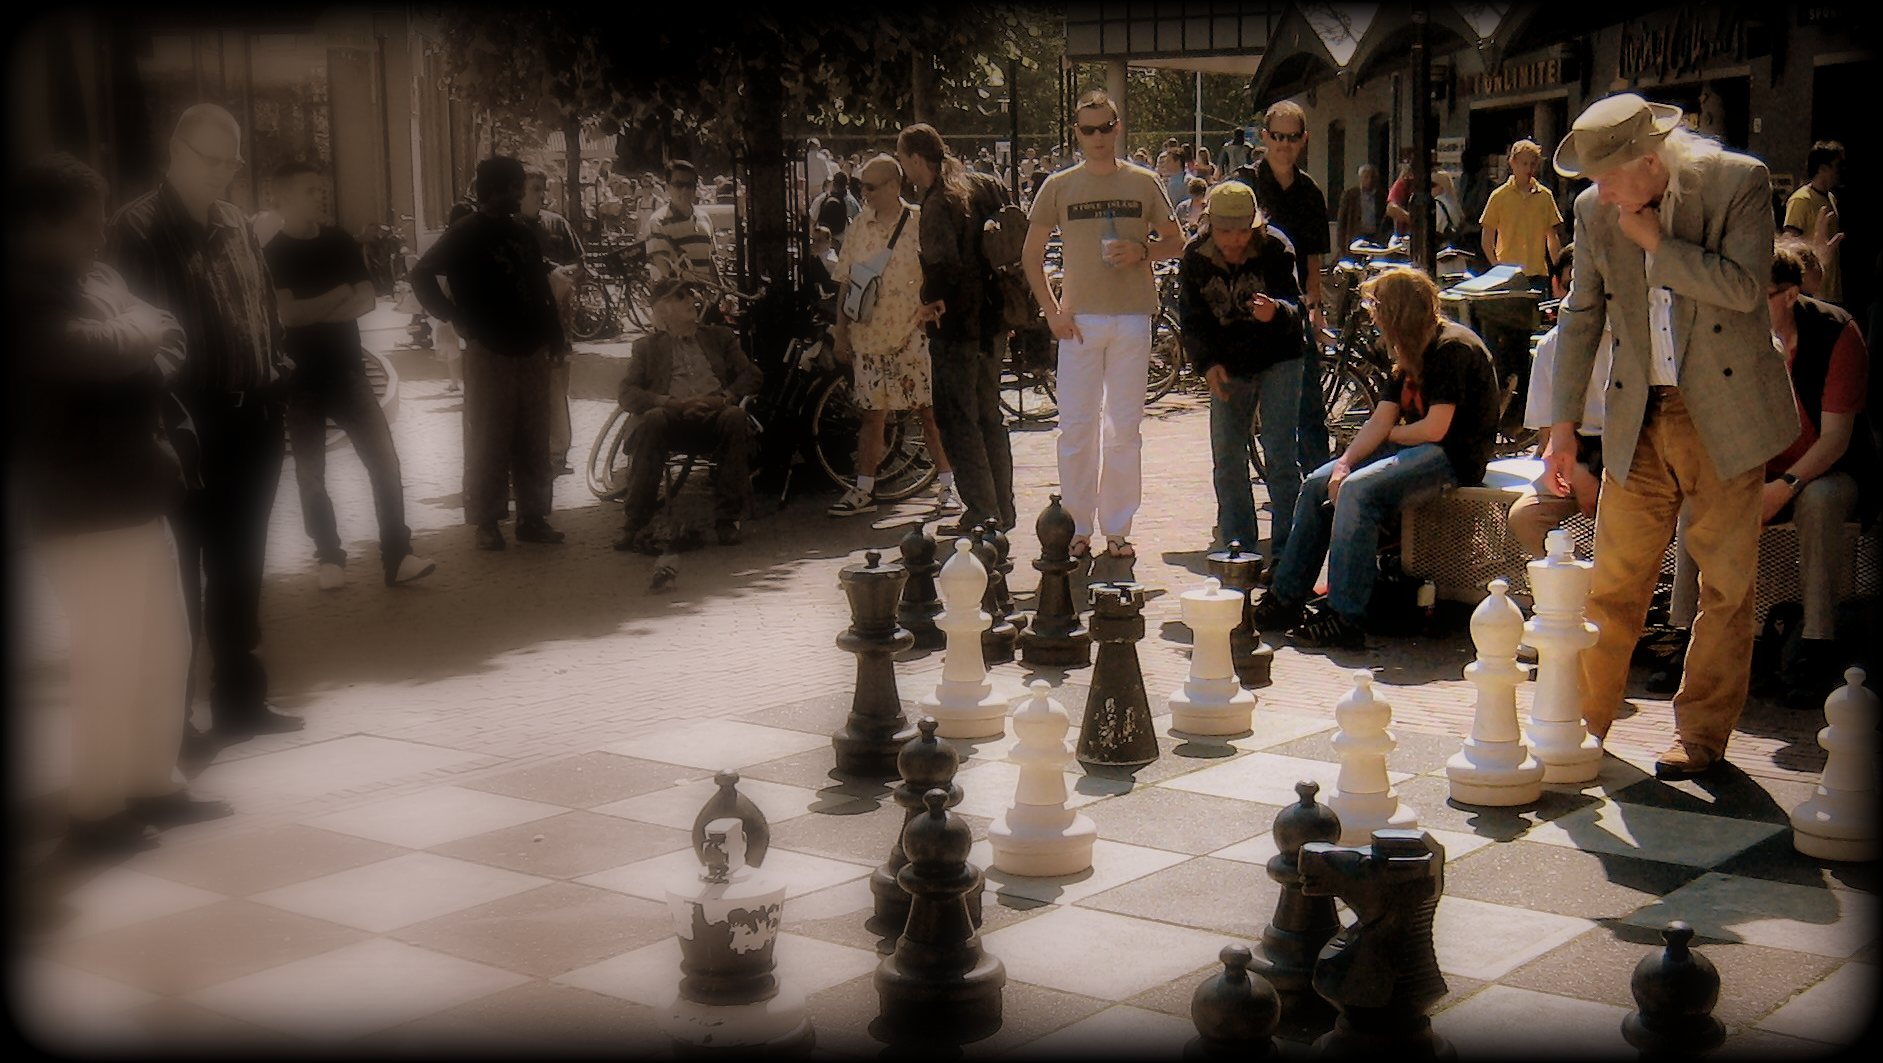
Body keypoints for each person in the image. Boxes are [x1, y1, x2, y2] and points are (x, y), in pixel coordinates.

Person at [1545, 93, 1797, 779]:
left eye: (1607, 175)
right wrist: (1561, 424)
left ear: (1649, 161)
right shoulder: (1595, 212)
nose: (1597, 192)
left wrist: (1658, 245)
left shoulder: (1737, 183)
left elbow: (1745, 288)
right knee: (1612, 581)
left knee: (1724, 587)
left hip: (1723, 412)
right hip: (1640, 415)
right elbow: (1579, 315)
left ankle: (1701, 735)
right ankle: (1578, 724)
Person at [12, 154, 234, 853]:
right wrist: (139, 340)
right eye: (83, 223)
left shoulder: (94, 276)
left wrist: (137, 343)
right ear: (37, 226)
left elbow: (162, 330)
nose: (99, 234)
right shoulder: (19, 292)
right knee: (109, 658)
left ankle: (151, 780)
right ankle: (94, 809)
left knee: (163, 647)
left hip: (138, 490)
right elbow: (92, 348)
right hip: (82, 505)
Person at [109, 103, 303, 741]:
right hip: (187, 426)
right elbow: (136, 338)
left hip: (253, 419)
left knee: (241, 563)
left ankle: (240, 700)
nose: (225, 172)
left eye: (233, 161)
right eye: (211, 159)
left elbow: (261, 310)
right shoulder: (135, 230)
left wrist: (277, 366)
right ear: (176, 152)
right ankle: (173, 716)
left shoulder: (236, 225)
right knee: (180, 574)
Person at [1253, 267, 1500, 649]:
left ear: (1396, 312)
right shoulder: (1408, 349)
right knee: (1319, 482)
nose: (1373, 318)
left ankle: (1344, 614)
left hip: (1453, 455)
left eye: (1377, 309)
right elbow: (1382, 417)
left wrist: (1386, 441)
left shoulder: (1451, 348)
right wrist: (1344, 462)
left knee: (1358, 492)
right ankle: (1286, 597)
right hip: (1417, 445)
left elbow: (1436, 427)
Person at [1023, 90, 1185, 559]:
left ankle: (1117, 528)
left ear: (1117, 127)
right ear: (1077, 133)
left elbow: (1177, 240)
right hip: (1079, 323)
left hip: (1133, 316)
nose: (1097, 137)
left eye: (1104, 127)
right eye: (1087, 129)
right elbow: (1030, 255)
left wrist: (1143, 251)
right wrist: (1051, 311)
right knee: (1075, 428)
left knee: (1123, 428)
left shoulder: (1144, 181)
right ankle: (1075, 527)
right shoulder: (1059, 185)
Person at [265, 162, 435, 591]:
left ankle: (398, 555)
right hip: (300, 378)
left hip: (348, 371)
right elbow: (286, 315)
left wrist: (317, 309)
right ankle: (328, 555)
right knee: (310, 473)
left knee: (384, 462)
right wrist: (337, 295)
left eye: (321, 189)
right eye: (309, 190)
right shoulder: (273, 253)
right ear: (281, 198)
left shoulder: (340, 241)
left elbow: (363, 302)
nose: (319, 196)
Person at [410, 154, 566, 551]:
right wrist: (452, 317)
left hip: (531, 348)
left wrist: (555, 337)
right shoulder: (465, 232)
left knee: (533, 436)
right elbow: (421, 274)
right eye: (509, 186)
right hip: (489, 349)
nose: (515, 194)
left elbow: (540, 289)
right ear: (489, 190)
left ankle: (533, 517)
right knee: (488, 438)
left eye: (518, 185)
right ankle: (487, 522)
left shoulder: (524, 233)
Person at [1759, 242, 1872, 700]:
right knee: (1701, 498)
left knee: (1820, 500)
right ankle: (1687, 630)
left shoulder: (1836, 332)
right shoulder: (1734, 331)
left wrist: (1783, 488)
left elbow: (1835, 440)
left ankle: (1816, 642)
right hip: (1759, 466)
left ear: (1790, 294)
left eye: (1760, 294)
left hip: (1829, 470)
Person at [898, 123, 1014, 532]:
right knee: (988, 416)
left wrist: (928, 302)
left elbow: (943, 264)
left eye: (904, 160)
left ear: (916, 159)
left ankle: (983, 512)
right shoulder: (979, 185)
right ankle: (1002, 507)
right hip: (992, 320)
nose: (904, 171)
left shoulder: (936, 202)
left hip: (957, 327)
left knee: (958, 419)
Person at [826, 155, 957, 517]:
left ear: (893, 185)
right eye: (861, 186)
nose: (863, 193)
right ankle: (864, 488)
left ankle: (948, 485)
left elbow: (939, 272)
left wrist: (931, 308)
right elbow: (846, 283)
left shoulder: (918, 221)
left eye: (870, 186)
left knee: (928, 412)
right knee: (872, 414)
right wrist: (841, 331)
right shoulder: (858, 227)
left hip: (912, 334)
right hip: (868, 336)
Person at [1180, 182, 1304, 558]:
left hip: (1279, 356)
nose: (1234, 240)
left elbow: (1296, 309)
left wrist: (1276, 311)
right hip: (1228, 361)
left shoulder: (1275, 248)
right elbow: (1193, 318)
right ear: (1209, 226)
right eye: (1225, 231)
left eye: (1242, 231)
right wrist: (1207, 363)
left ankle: (1288, 546)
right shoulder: (1195, 256)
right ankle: (1238, 543)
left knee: (1280, 454)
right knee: (1228, 455)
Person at [614, 279, 761, 547]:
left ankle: (727, 521)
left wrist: (722, 398)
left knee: (735, 417)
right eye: (680, 297)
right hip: (671, 421)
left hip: (714, 416)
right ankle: (635, 522)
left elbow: (752, 375)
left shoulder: (719, 337)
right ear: (663, 310)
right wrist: (670, 403)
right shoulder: (647, 347)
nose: (691, 300)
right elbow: (627, 394)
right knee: (653, 419)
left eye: (689, 295)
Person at [1506, 244, 1610, 557]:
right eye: (1571, 286)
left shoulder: (1627, 338)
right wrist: (1579, 477)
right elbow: (1547, 439)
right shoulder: (1551, 347)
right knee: (1525, 516)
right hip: (1575, 452)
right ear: (1556, 286)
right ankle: (1580, 585)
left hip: (1630, 451)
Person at [1251, 100, 1336, 482]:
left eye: (1292, 137)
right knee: (1246, 409)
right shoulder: (1245, 185)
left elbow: (1314, 257)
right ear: (1264, 137)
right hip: (1248, 307)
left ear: (1304, 140)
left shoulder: (1310, 192)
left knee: (1309, 406)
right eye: (1277, 136)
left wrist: (1314, 308)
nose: (1284, 144)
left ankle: (1318, 490)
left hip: (1294, 308)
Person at [520, 167, 584, 475]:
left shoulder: (557, 224)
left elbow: (578, 262)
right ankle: (529, 452)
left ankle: (557, 452)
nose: (541, 195)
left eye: (543, 189)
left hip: (559, 318)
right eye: (535, 189)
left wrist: (565, 274)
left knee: (559, 385)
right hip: (525, 322)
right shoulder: (511, 228)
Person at [1479, 139, 1564, 287]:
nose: (1528, 169)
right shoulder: (1499, 196)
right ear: (1513, 163)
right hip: (1507, 273)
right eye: (1524, 163)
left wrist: (1558, 270)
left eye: (1532, 164)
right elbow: (1487, 236)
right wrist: (1495, 265)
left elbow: (1552, 237)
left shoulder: (1545, 196)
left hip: (1537, 273)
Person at [1781, 140, 1845, 306]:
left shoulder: (1831, 198)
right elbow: (1789, 245)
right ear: (1822, 168)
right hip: (1813, 293)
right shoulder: (1801, 200)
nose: (1840, 171)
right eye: (1836, 166)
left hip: (1832, 291)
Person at [639, 159, 720, 286]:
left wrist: (722, 292)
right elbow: (664, 269)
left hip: (706, 300)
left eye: (690, 185)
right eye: (678, 184)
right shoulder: (658, 222)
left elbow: (710, 260)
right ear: (667, 187)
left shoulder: (704, 218)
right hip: (677, 300)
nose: (685, 190)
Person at [435, 199, 476, 395]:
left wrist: (440, 306)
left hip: (453, 299)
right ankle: (467, 382)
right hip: (466, 300)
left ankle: (457, 382)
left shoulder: (448, 240)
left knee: (452, 341)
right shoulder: (474, 238)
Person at [1337, 164, 1387, 251]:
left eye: (1372, 177)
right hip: (1356, 237)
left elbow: (1386, 219)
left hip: (1375, 237)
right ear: (1360, 178)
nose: (1369, 180)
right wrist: (1341, 243)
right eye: (1366, 177)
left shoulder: (1381, 196)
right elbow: (1342, 220)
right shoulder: (1350, 195)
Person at [816, 172, 856, 244]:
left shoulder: (821, 199)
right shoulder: (851, 202)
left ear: (833, 184)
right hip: (842, 242)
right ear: (846, 185)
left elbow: (812, 219)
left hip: (823, 241)